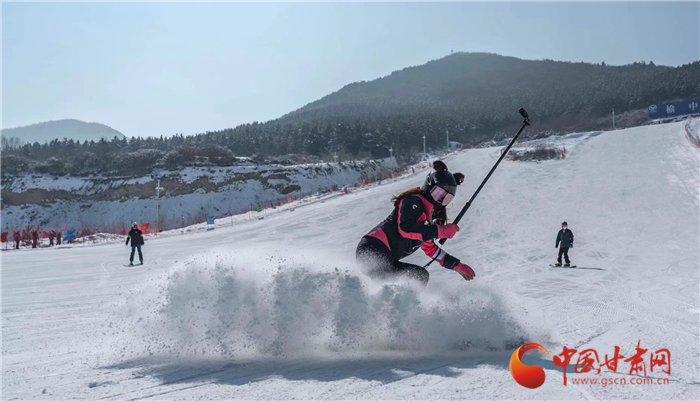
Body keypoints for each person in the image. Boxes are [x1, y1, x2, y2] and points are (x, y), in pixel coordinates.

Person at [356, 160, 475, 285]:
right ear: (428, 186)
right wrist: (441, 231)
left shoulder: (426, 222)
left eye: (447, 198)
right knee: (416, 278)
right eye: (438, 193)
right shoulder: (413, 201)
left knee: (419, 276)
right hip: (372, 250)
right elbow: (406, 229)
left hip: (384, 259)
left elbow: (431, 250)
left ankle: (389, 303)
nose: (440, 200)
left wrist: (457, 265)